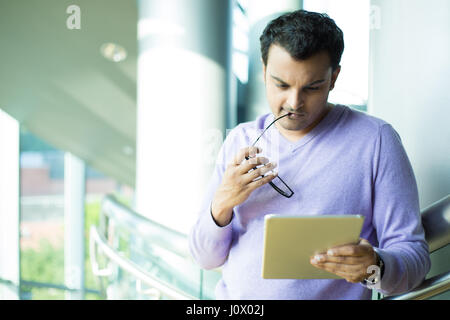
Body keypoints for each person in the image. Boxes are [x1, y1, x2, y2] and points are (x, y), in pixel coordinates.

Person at [188, 9, 431, 300]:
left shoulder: (376, 141)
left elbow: (414, 257)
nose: (293, 102)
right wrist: (221, 206)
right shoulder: (240, 139)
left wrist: (375, 266)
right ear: (264, 71)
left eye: (312, 87)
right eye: (281, 85)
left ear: (334, 77)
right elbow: (204, 259)